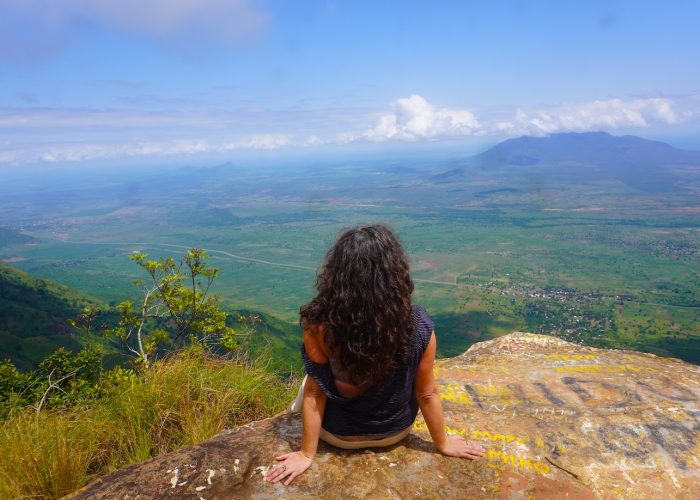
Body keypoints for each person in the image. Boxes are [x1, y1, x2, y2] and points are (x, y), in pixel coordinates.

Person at [265, 224, 484, 485]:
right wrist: (443, 443)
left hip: (337, 436)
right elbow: (426, 393)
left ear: (337, 275)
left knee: (308, 383)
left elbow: (316, 393)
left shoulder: (319, 326)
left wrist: (305, 454)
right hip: (394, 432)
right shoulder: (419, 324)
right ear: (395, 273)